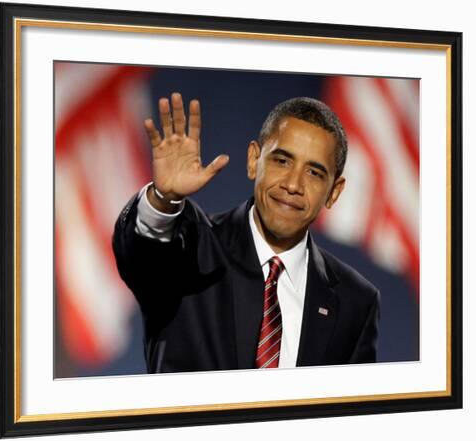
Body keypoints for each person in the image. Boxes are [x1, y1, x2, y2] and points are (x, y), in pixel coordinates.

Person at [112, 92, 380, 374]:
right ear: (254, 160)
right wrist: (163, 199)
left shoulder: (356, 301)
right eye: (282, 161)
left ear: (334, 192)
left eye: (314, 173)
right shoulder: (189, 248)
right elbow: (142, 252)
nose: (293, 184)